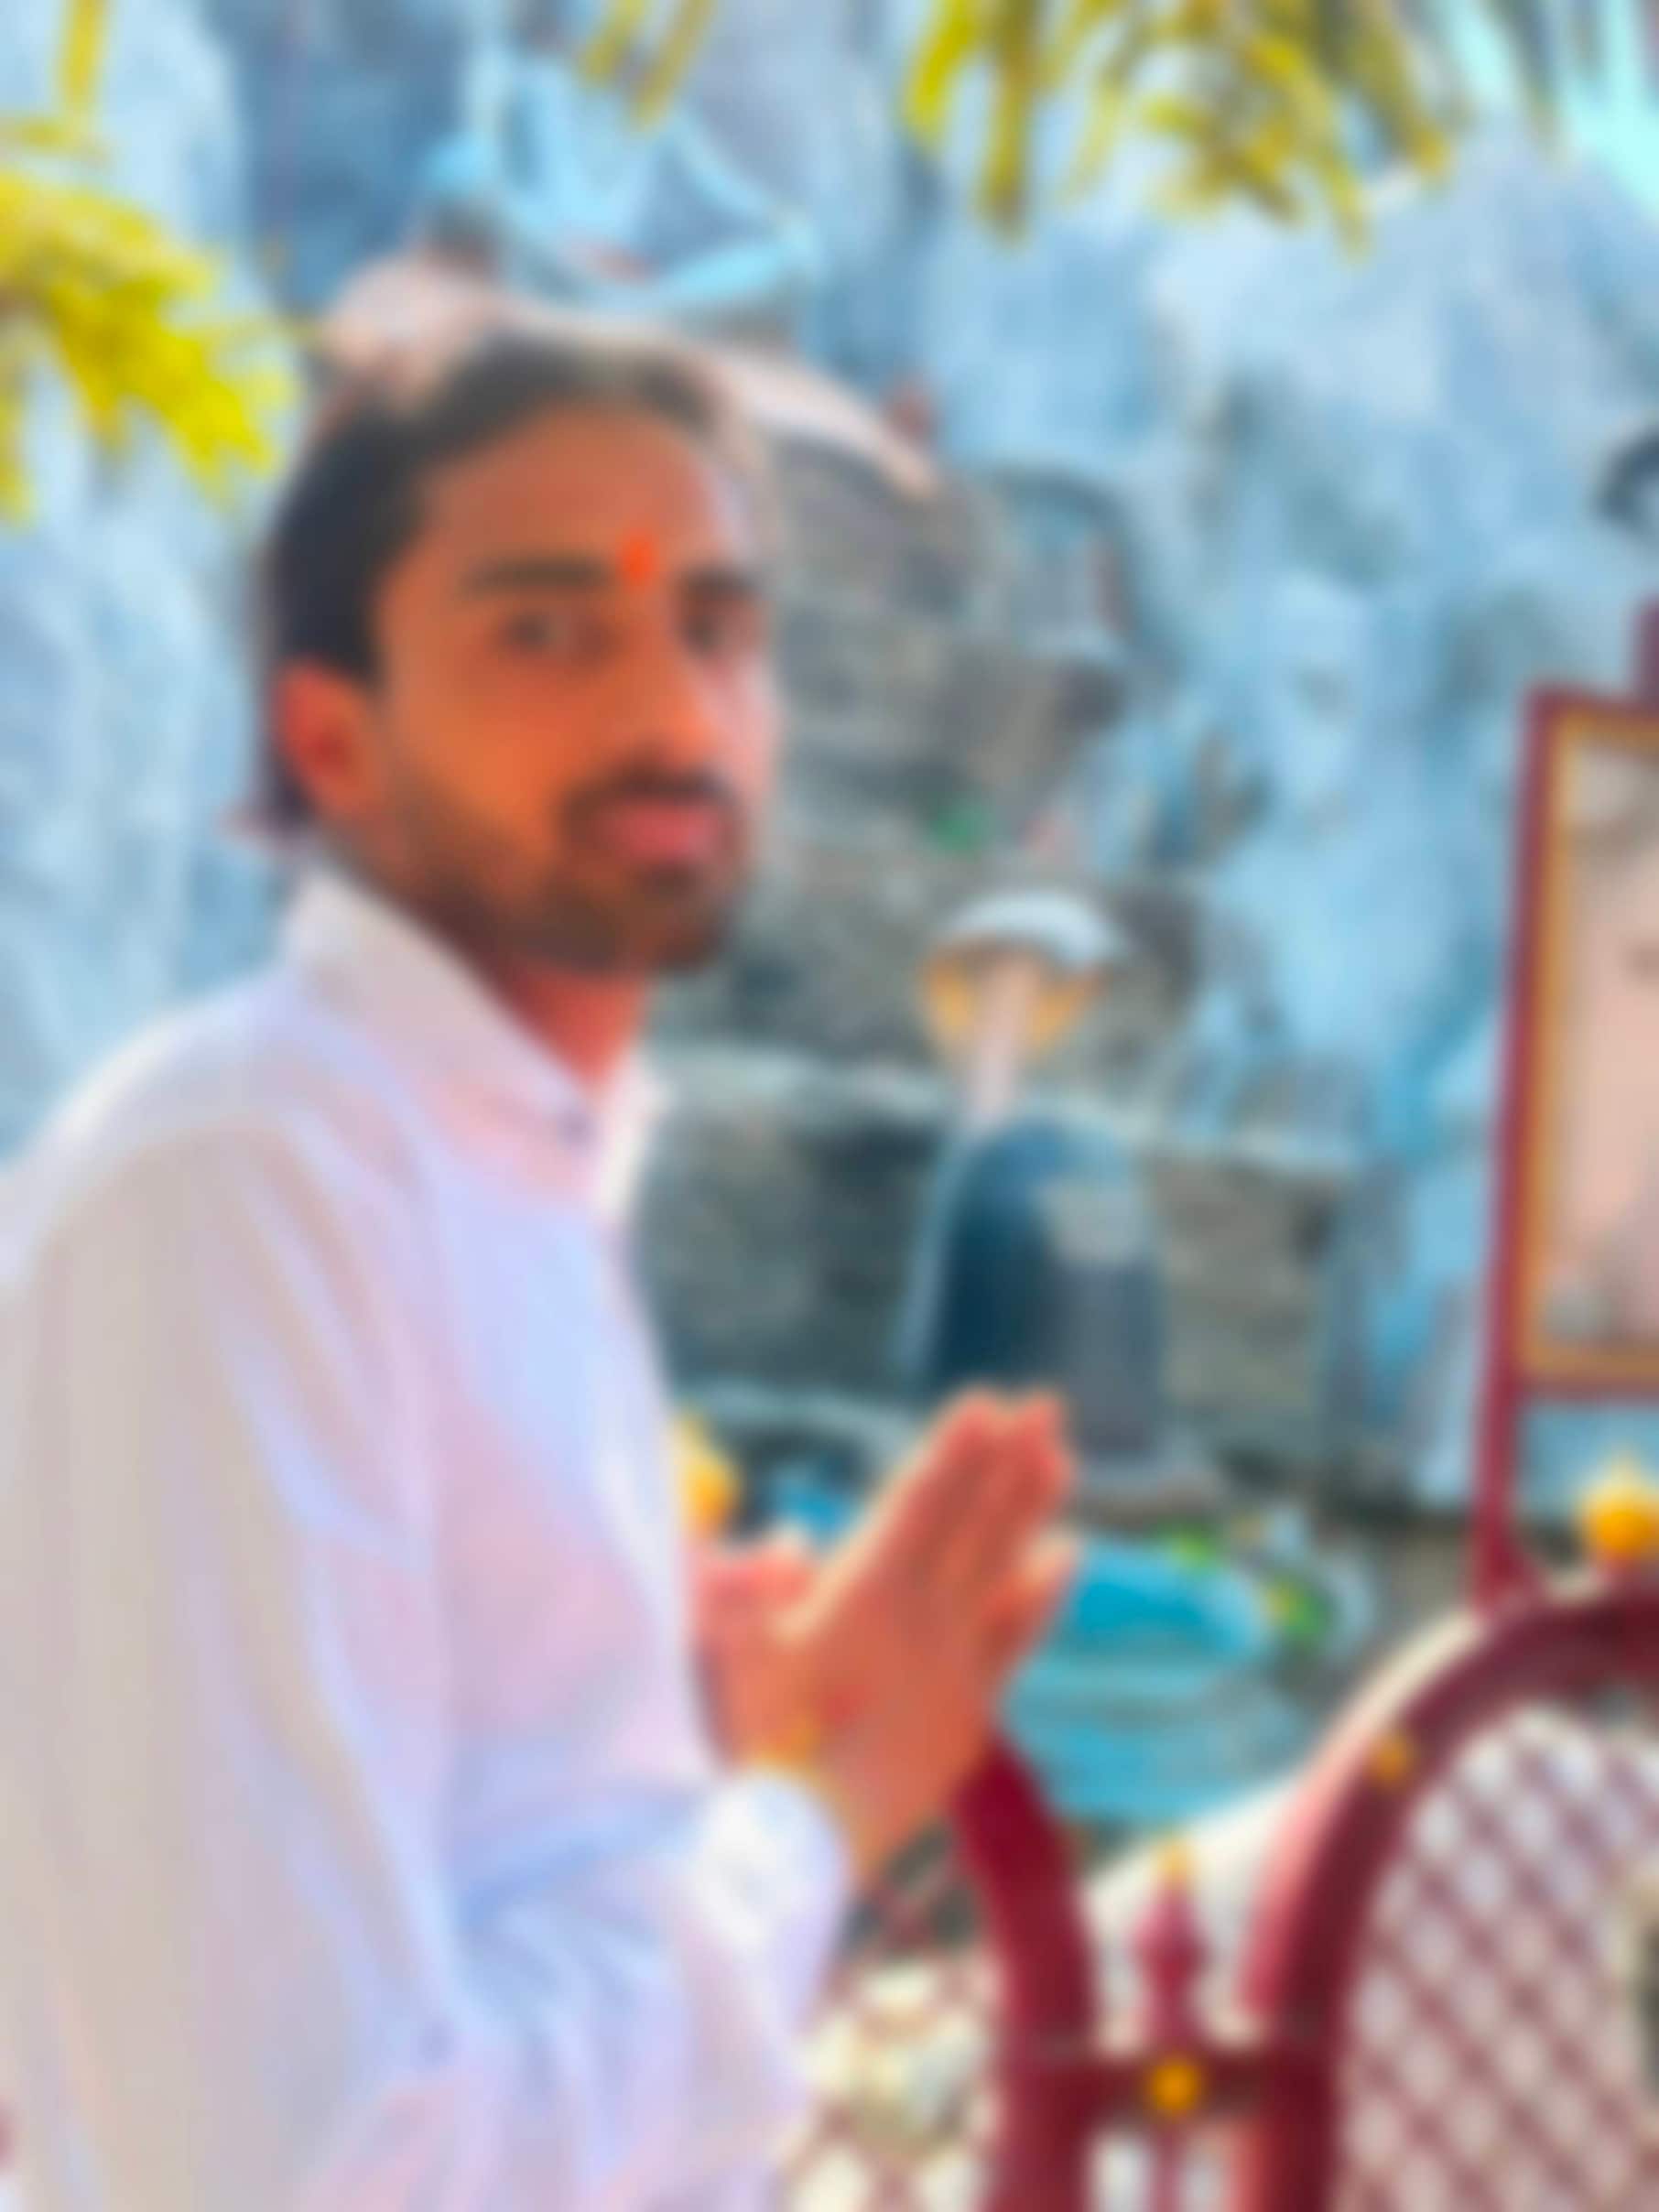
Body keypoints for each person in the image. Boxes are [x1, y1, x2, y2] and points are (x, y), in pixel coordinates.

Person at [0, 324, 1077, 2209]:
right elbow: (307, 2166)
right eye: (548, 629)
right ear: (332, 739)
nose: (672, 707)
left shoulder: (513, 1178)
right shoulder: (253, 1181)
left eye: (719, 628)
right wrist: (810, 1818)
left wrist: (682, 1764)